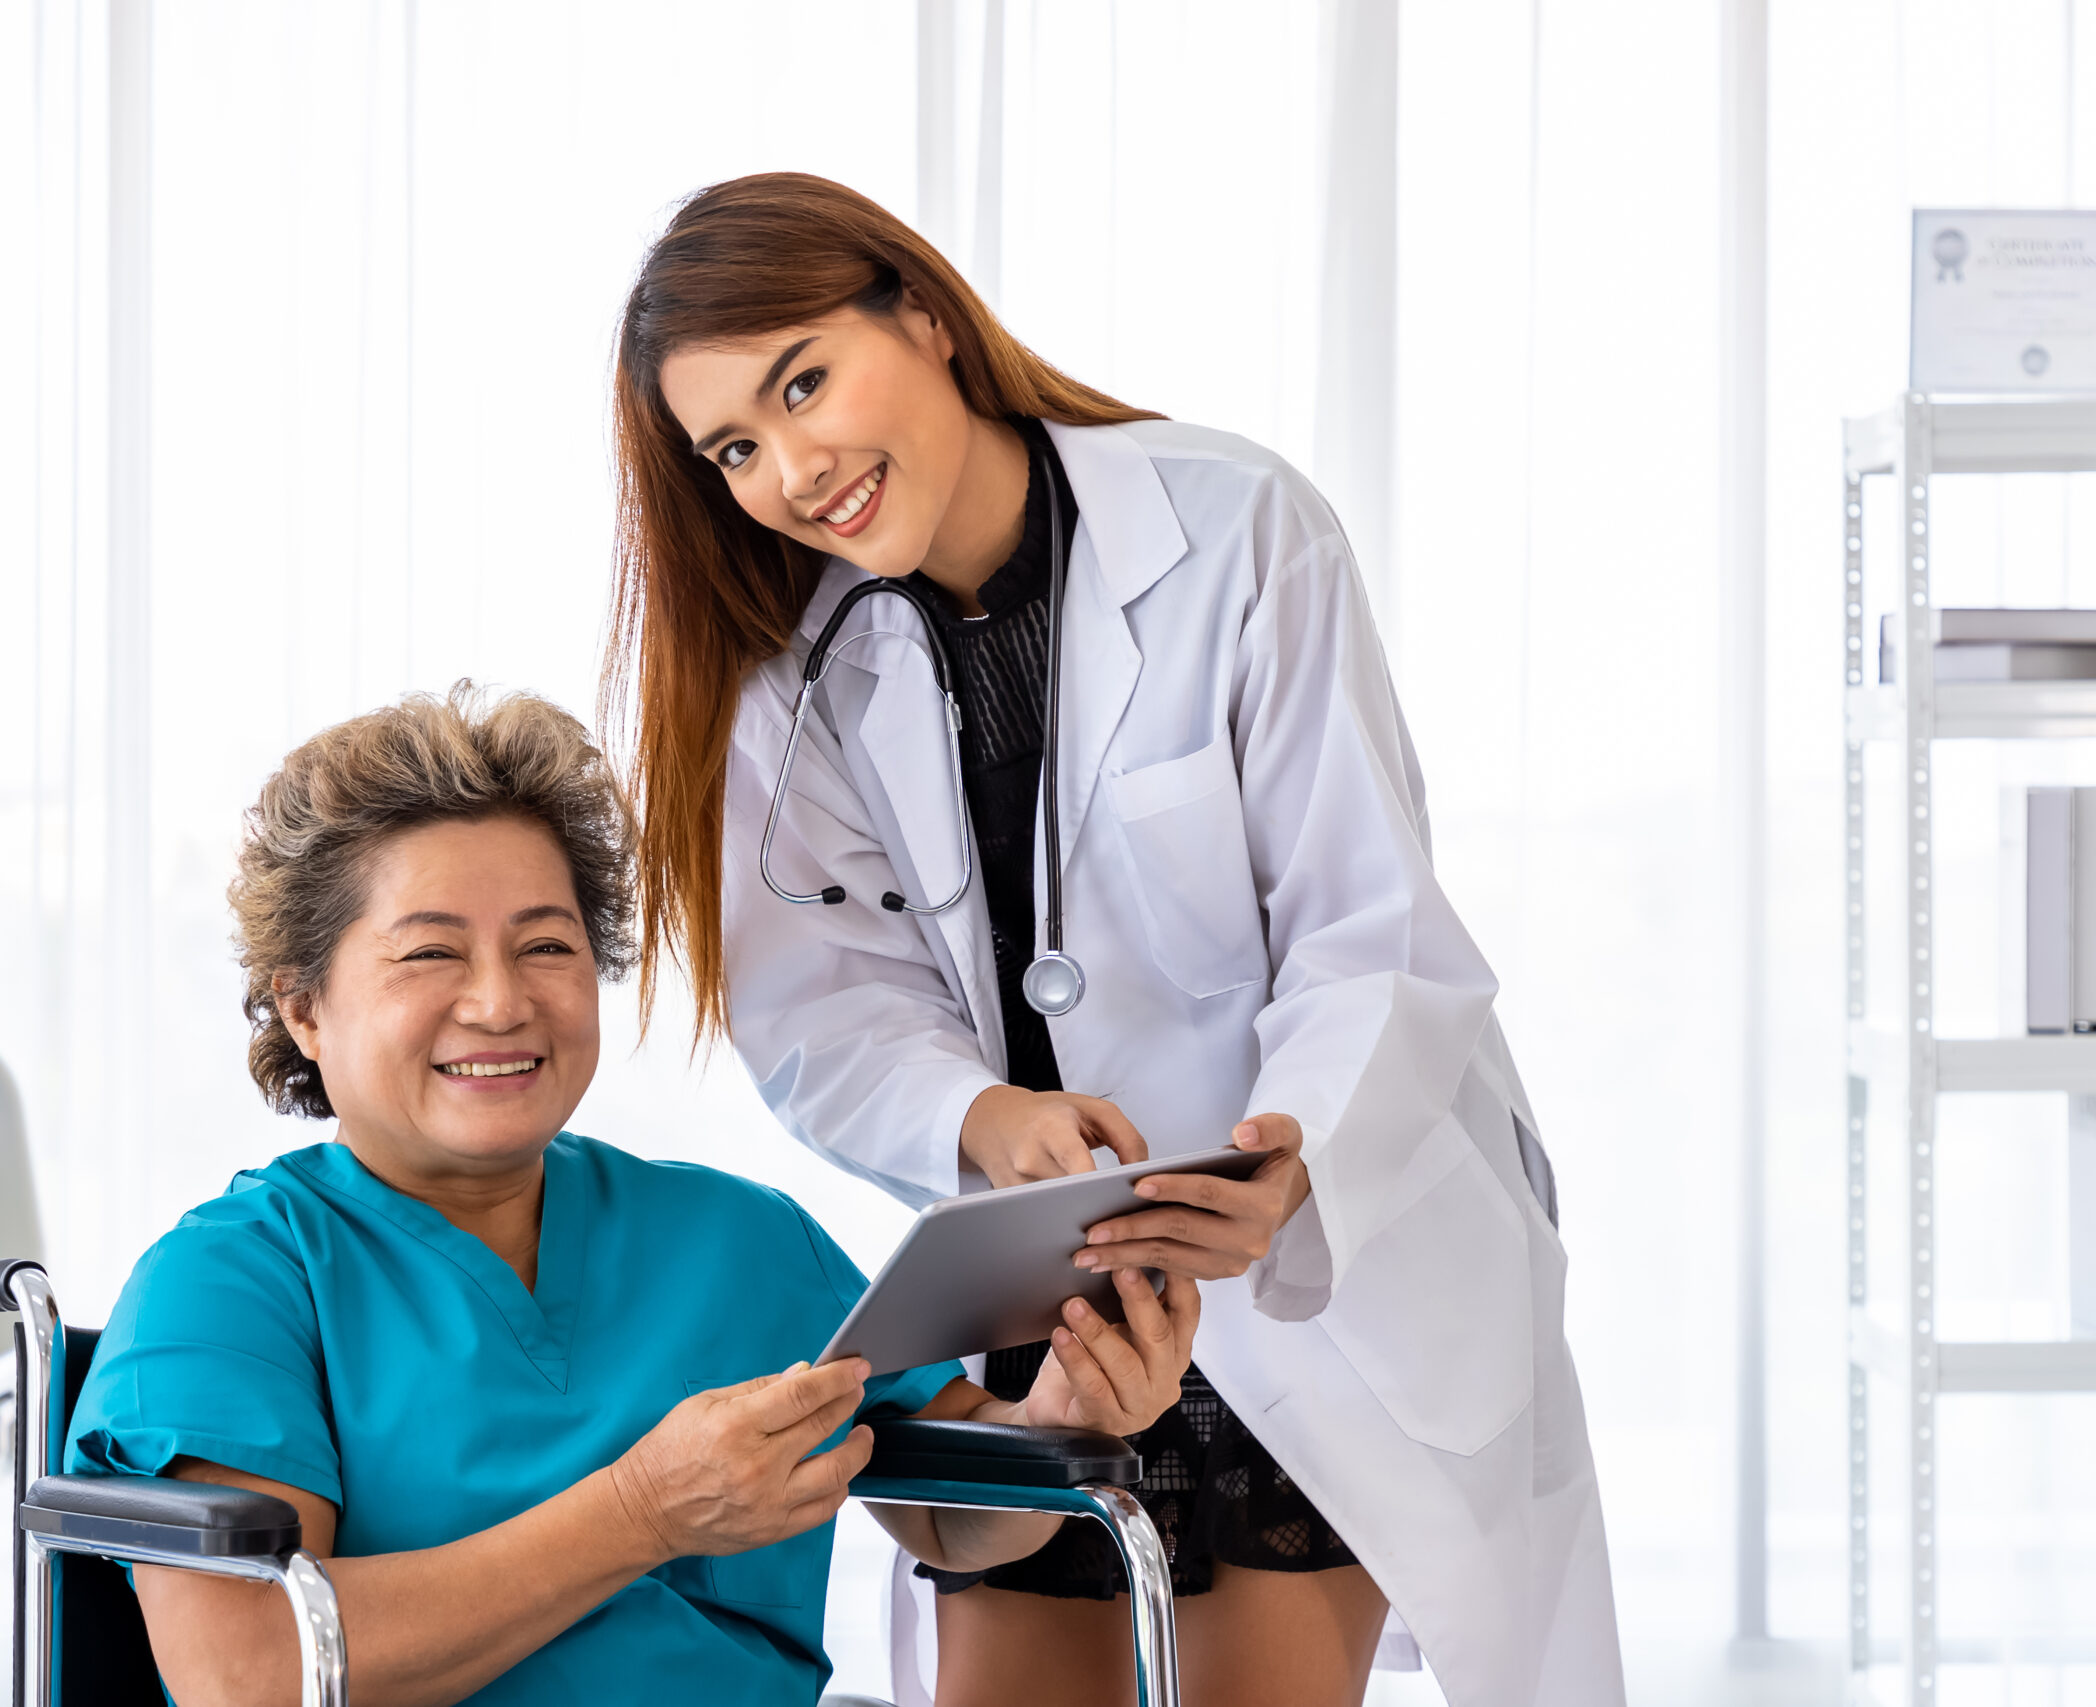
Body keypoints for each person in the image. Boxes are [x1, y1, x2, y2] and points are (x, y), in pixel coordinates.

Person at [604, 173, 1624, 1707]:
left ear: (928, 317)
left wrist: (1293, 1165)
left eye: (804, 379)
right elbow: (823, 1013)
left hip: (1316, 1280)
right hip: (1063, 1305)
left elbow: (1370, 926)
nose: (794, 468)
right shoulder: (793, 682)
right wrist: (982, 1111)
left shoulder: (1233, 529)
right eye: (735, 447)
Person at [59, 684, 1198, 1707]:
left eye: (546, 947)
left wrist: (1069, 1416)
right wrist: (640, 1513)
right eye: (430, 955)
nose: (501, 1004)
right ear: (304, 1007)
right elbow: (255, 1673)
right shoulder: (234, 1281)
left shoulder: (738, 1241)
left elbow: (952, 1516)